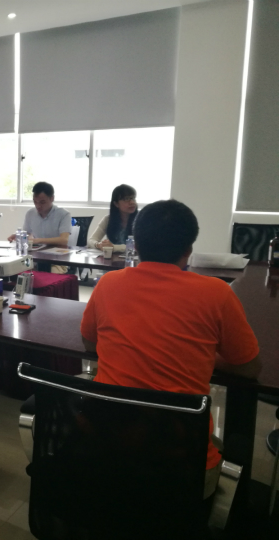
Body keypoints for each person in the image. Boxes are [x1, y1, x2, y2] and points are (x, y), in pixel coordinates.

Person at [80, 199, 261, 500]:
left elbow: (90, 342)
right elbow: (249, 367)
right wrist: (203, 356)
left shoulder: (108, 284)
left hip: (108, 451)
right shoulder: (217, 293)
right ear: (188, 249)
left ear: (136, 245)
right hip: (182, 469)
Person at [88, 184, 138, 252]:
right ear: (116, 204)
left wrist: (114, 247)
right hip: (112, 258)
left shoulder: (141, 220)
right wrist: (99, 244)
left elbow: (140, 246)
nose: (132, 202)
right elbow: (91, 240)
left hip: (133, 258)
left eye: (133, 198)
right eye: (126, 199)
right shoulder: (108, 219)